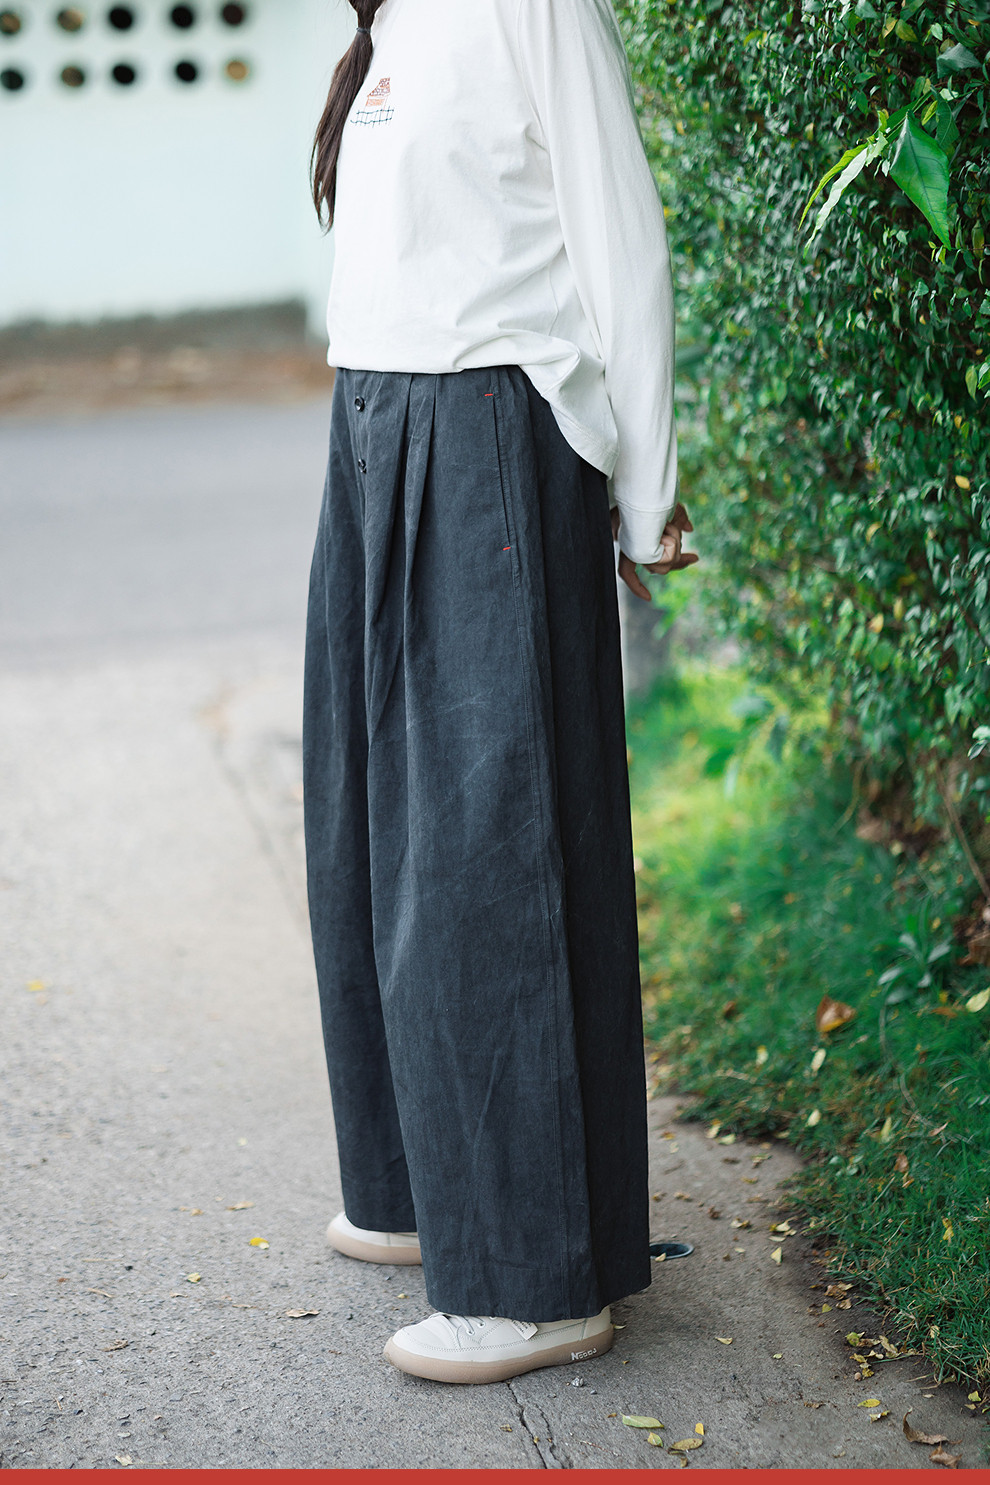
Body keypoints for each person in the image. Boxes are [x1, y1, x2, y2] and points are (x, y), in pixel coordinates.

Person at [302, 0, 697, 1386]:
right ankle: (424, 1188)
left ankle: (534, 1279)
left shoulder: (535, 4)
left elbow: (623, 242)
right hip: (372, 424)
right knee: (364, 822)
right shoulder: (392, 20)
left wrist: (645, 491)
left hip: (489, 431)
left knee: (484, 853)